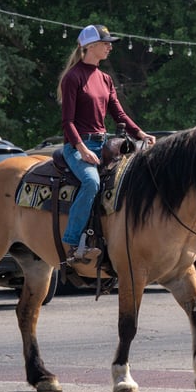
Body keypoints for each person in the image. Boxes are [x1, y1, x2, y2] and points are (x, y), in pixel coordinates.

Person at [57, 24, 156, 263]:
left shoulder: (105, 79)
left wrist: (140, 133)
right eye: (105, 43)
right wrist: (82, 149)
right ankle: (73, 243)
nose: (110, 47)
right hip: (77, 146)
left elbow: (118, 114)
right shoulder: (73, 78)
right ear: (90, 47)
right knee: (91, 182)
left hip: (103, 145)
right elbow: (67, 122)